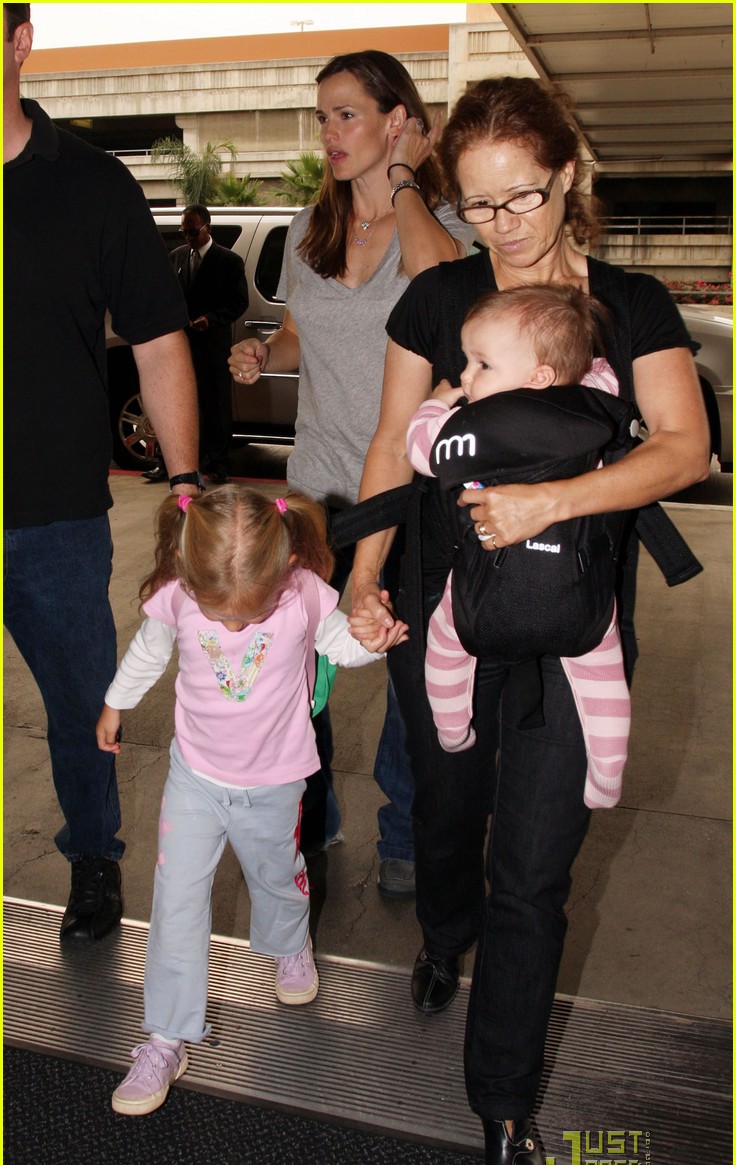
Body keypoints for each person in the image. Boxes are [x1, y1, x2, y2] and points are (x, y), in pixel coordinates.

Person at [349, 76, 710, 1165]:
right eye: (477, 204)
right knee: (447, 811)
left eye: (523, 197)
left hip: (571, 622)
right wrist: (361, 575)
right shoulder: (439, 298)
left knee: (538, 869)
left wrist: (552, 503)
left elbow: (686, 448)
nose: (503, 227)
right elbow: (391, 447)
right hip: (442, 609)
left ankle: (502, 1108)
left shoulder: (629, 305)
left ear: (568, 176)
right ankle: (440, 933)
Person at [228, 49, 473, 892]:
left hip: (413, 487)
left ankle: (403, 834)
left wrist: (403, 179)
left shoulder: (443, 224)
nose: (329, 133)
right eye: (322, 116)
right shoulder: (312, 228)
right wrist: (265, 351)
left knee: (407, 668)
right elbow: (301, 330)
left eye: (347, 115)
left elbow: (442, 286)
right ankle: (312, 812)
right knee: (299, 664)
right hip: (317, 484)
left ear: (397, 120)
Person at [96, 485, 405, 1116]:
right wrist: (114, 703)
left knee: (276, 875)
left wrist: (374, 641)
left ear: (287, 566)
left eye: (249, 613)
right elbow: (149, 651)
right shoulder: (178, 595)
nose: (234, 626)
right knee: (176, 899)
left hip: (276, 779)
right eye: (220, 613)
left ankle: (289, 944)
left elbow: (340, 647)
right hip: (195, 778)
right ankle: (166, 1036)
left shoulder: (304, 592)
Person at [3, 4, 201, 944]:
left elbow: (159, 341)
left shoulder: (91, 183)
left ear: (19, 43)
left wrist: (186, 483)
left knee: (84, 702)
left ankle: (93, 859)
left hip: (54, 514)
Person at [406, 283, 631, 809]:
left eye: (482, 364)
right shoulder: (594, 407)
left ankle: (452, 729)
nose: (466, 376)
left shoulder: (474, 429)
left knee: (444, 644)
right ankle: (606, 773)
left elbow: (418, 451)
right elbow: (603, 375)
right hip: (578, 585)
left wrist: (433, 405)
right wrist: (586, 365)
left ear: (539, 377)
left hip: (484, 592)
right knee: (602, 674)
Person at [144, 205, 249, 486]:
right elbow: (166, 297)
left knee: (215, 405)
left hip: (213, 345)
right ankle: (168, 463)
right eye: (184, 232)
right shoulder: (177, 257)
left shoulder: (229, 261)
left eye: (193, 232)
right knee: (175, 403)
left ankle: (219, 464)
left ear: (208, 228)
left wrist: (211, 320)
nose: (188, 237)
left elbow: (239, 302)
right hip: (181, 344)